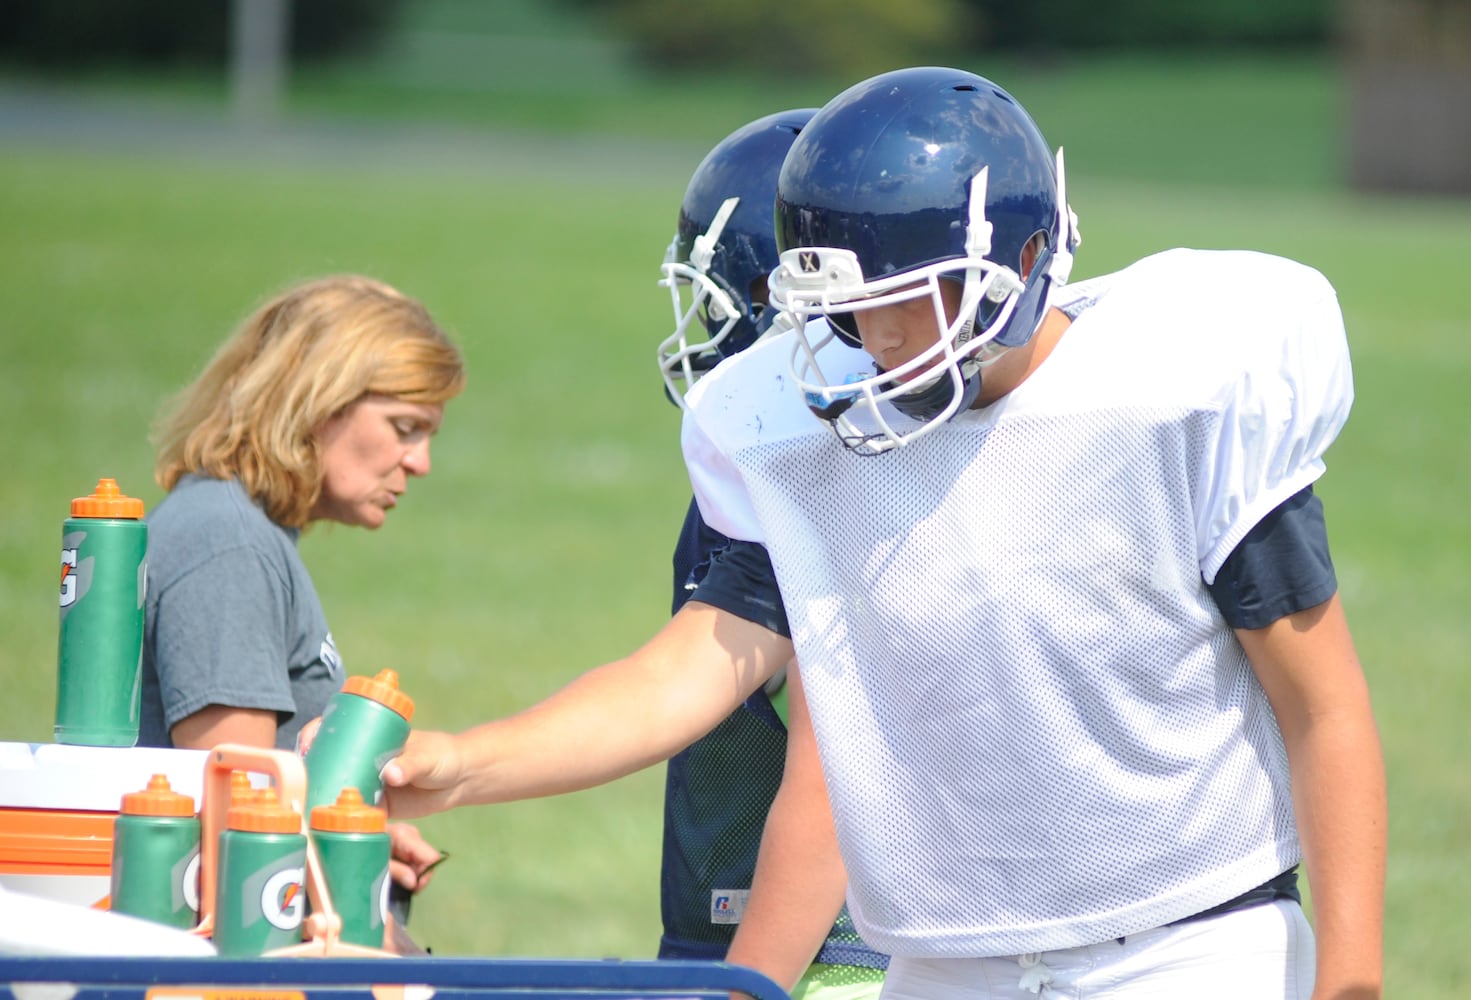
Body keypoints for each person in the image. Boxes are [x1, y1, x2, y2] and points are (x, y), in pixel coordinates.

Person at [380, 66, 1385, 999]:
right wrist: (464, 765)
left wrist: (1350, 978)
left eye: (907, 295)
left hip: (1190, 942)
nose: (882, 337)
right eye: (854, 308)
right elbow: (682, 672)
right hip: (946, 958)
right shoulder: (820, 435)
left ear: (1023, 254)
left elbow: (1323, 709)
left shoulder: (1180, 392)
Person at [656, 109, 887, 999]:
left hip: (824, 956)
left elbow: (831, 775)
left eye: (713, 303)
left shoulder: (821, 484)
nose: (700, 333)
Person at [139, 273, 462, 905]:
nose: (419, 462)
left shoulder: (237, 531)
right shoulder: (228, 547)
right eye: (404, 426)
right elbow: (240, 825)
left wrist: (353, 839)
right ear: (318, 402)